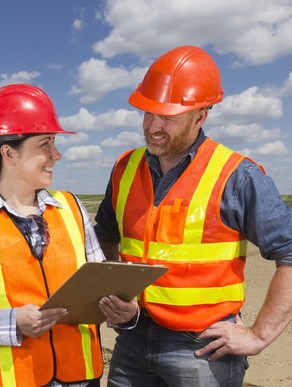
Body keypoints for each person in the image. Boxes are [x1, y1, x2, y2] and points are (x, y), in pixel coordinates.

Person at [94, 45, 292, 387]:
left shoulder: (237, 176)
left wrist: (259, 335)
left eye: (167, 117)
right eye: (147, 113)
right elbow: (106, 236)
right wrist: (120, 297)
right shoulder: (125, 168)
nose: (152, 127)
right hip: (133, 338)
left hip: (202, 347)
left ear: (200, 116)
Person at [0, 84, 138, 387]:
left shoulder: (73, 209)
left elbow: (97, 286)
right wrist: (10, 323)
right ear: (9, 153)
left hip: (79, 378)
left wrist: (125, 312)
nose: (57, 154)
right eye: (45, 143)